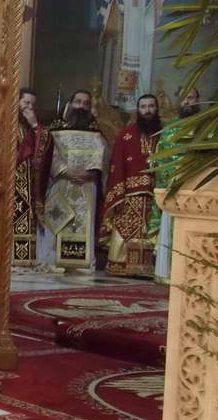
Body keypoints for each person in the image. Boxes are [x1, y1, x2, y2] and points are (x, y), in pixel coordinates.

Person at [34, 90, 109, 270]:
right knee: (59, 220)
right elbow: (50, 155)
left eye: (85, 103)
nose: (81, 106)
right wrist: (66, 171)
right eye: (78, 101)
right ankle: (54, 260)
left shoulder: (97, 132)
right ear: (70, 103)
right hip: (62, 182)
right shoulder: (56, 130)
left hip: (87, 185)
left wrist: (93, 171)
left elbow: (104, 155)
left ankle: (82, 263)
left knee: (83, 222)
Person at [100, 94, 161, 277]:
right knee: (125, 229)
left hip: (156, 195)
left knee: (152, 230)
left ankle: (149, 268)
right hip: (128, 194)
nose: (147, 110)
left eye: (151, 106)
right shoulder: (126, 135)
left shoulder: (165, 134)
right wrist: (118, 193)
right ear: (138, 110)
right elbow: (116, 164)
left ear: (157, 108)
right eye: (143, 106)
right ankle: (121, 266)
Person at [152, 89, 200, 282]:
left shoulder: (206, 127)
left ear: (198, 100)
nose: (187, 102)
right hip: (173, 188)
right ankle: (168, 275)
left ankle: (192, 275)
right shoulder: (169, 129)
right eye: (183, 98)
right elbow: (161, 160)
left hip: (197, 189)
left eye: (191, 98)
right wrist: (172, 179)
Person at [13, 89, 48, 266]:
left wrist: (34, 125)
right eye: (26, 103)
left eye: (33, 105)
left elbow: (44, 147)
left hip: (27, 182)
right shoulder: (5, 122)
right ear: (17, 102)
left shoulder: (31, 127)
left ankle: (22, 257)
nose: (30, 108)